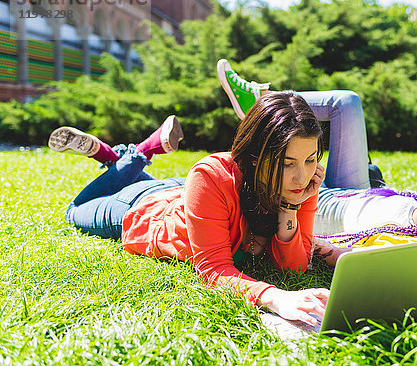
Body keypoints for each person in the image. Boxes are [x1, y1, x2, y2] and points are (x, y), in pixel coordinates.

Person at [217, 59, 417, 279]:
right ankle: (263, 102)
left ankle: (259, 119)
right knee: (347, 102)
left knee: (194, 183)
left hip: (314, 198)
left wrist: (300, 225)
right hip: (353, 189)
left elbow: (333, 253)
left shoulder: (408, 256)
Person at [49, 93, 330, 327]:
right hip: (141, 207)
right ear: (255, 157)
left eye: (310, 159)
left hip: (186, 192)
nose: (302, 177)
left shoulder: (299, 184)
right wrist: (275, 297)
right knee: (74, 210)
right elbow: (214, 269)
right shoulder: (212, 175)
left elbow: (293, 267)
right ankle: (139, 154)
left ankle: (115, 155)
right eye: (287, 163)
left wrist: (291, 208)